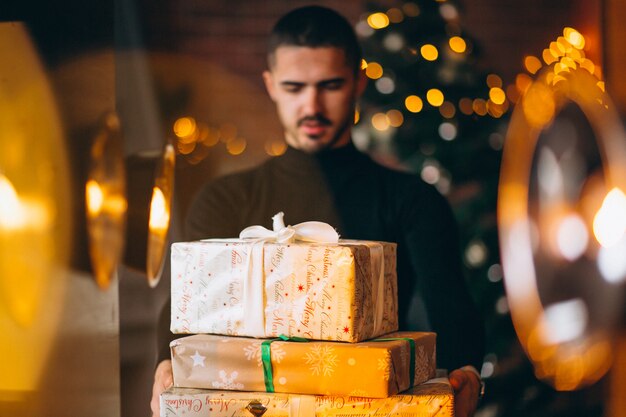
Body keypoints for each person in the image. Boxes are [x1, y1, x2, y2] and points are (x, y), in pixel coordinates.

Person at [151, 5, 485, 417]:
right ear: (270, 85)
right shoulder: (225, 199)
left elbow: (451, 310)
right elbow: (180, 317)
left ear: (359, 81)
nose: (312, 105)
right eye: (294, 87)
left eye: (330, 85)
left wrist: (465, 374)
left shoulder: (413, 198)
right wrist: (166, 367)